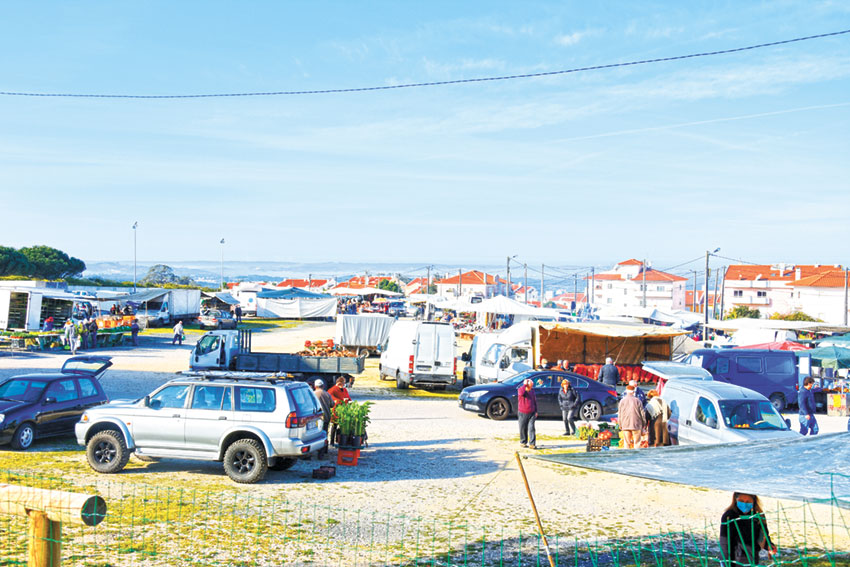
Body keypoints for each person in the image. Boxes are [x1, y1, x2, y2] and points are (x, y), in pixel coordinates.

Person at [719, 492, 775, 566]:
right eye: (741, 501)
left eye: (748, 501)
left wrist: (769, 546)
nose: (745, 504)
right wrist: (726, 562)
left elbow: (763, 536)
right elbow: (724, 542)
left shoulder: (759, 515)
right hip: (734, 560)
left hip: (753, 559)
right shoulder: (729, 516)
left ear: (754, 501)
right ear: (735, 499)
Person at [517, 378, 538, 449]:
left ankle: (532, 444)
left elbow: (534, 401)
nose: (531, 387)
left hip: (532, 412)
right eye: (530, 385)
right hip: (522, 412)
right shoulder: (521, 390)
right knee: (523, 428)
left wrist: (536, 411)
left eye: (532, 385)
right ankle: (523, 442)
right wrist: (525, 385)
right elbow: (521, 393)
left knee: (531, 428)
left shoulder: (532, 391)